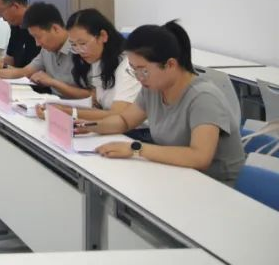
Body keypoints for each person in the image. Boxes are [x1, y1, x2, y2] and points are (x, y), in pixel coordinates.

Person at [80, 21, 245, 185]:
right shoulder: (153, 88)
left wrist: (135, 149)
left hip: (217, 185)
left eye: (143, 70)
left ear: (170, 64)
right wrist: (87, 126)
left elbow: (200, 157)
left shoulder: (204, 97)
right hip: (177, 174)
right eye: (133, 69)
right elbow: (125, 121)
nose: (138, 77)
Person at [37, 8, 141, 122]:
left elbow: (117, 116)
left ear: (103, 36)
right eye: (73, 45)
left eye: (83, 43)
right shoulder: (98, 61)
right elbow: (98, 106)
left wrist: (67, 112)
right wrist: (59, 109)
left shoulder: (129, 66)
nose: (79, 51)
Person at [0, 3, 92, 99]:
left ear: (55, 29)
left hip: (78, 111)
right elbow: (23, 72)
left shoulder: (81, 49)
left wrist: (53, 82)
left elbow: (92, 96)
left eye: (39, 37)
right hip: (55, 105)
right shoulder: (46, 51)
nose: (37, 43)